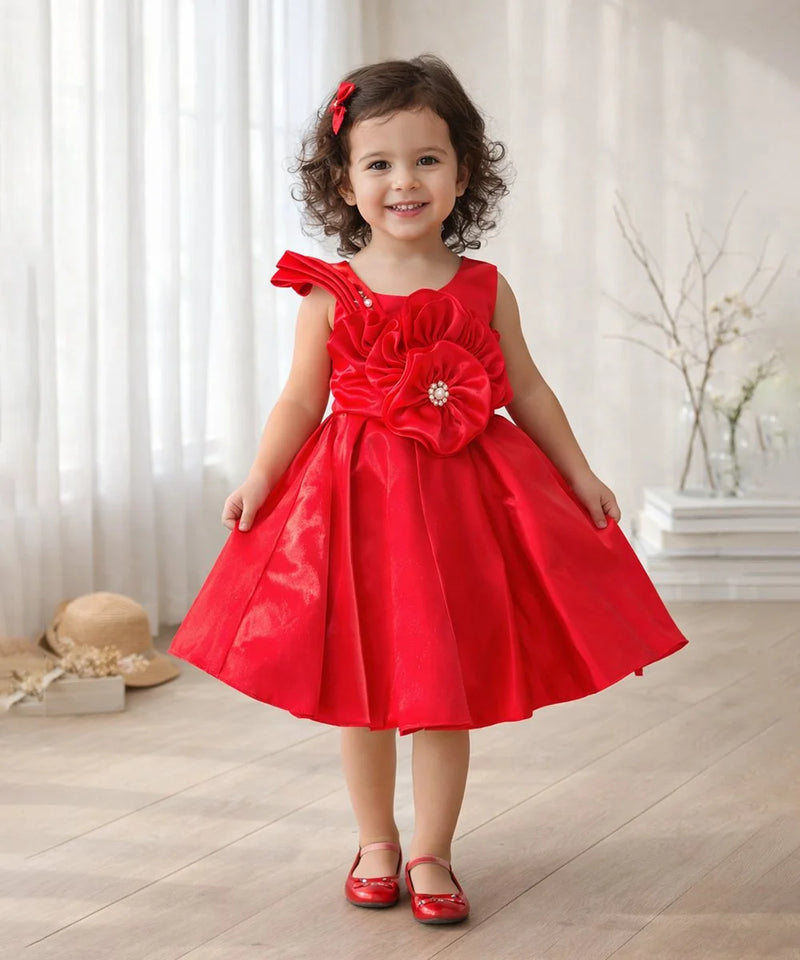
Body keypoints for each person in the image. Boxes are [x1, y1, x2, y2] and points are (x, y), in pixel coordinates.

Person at [169, 54, 688, 926]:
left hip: (459, 513)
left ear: (463, 173)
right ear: (343, 183)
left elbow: (526, 389)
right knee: (364, 684)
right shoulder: (329, 294)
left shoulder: (484, 288)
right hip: (356, 509)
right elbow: (301, 397)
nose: (402, 181)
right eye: (378, 164)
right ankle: (375, 840)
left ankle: (432, 849)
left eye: (425, 160)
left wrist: (579, 471)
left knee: (442, 685)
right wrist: (261, 474)